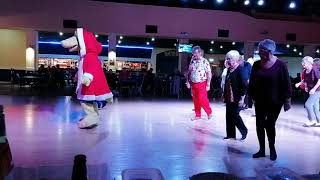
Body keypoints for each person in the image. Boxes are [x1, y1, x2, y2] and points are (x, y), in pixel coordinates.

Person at [248, 39, 292, 161]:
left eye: (263, 52)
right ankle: (262, 150)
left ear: (270, 51)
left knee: (270, 124)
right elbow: (252, 82)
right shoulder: (257, 64)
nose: (261, 54)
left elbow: (286, 83)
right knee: (259, 125)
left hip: (275, 101)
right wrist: (250, 98)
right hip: (260, 100)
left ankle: (272, 149)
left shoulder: (280, 65)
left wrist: (287, 100)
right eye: (260, 52)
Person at [223, 50, 248, 140]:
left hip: (238, 97)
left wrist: (242, 98)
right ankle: (230, 134)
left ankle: (244, 130)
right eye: (227, 58)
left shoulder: (241, 69)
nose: (227, 60)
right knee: (228, 115)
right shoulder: (229, 70)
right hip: (230, 97)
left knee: (235, 115)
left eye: (229, 59)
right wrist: (226, 69)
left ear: (235, 59)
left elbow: (245, 85)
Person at [185, 46, 212, 120]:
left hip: (202, 82)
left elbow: (209, 73)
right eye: (193, 53)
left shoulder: (204, 61)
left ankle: (209, 112)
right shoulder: (192, 61)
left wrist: (208, 84)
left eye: (196, 53)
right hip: (193, 83)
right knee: (195, 99)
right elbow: (189, 72)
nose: (194, 55)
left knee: (202, 99)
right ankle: (198, 115)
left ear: (200, 53)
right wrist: (187, 81)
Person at [297, 56, 320, 127]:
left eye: (304, 62)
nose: (302, 64)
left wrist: (313, 89)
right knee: (315, 106)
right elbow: (305, 80)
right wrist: (301, 84)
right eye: (302, 62)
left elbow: (319, 80)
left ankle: (312, 120)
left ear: (310, 63)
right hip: (311, 91)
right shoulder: (305, 71)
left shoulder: (315, 70)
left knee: (308, 104)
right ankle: (319, 121)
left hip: (317, 91)